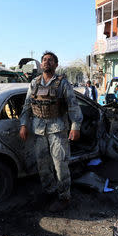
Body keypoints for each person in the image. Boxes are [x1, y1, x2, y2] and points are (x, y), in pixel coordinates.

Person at [20, 51, 83, 212]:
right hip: (39, 131)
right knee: (42, 165)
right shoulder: (34, 83)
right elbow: (27, 106)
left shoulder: (63, 83)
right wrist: (23, 125)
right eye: (44, 60)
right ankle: (49, 192)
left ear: (55, 65)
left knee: (60, 165)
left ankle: (64, 197)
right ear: (41, 64)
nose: (47, 62)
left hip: (58, 130)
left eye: (50, 60)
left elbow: (73, 106)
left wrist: (76, 126)